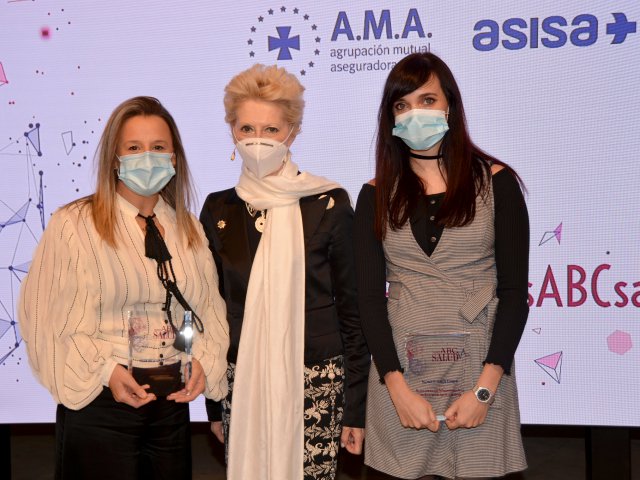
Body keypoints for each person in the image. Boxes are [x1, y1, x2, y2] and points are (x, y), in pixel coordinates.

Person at [18, 96, 229, 480]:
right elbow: (45, 319)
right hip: (100, 406)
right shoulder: (75, 224)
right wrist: (106, 371)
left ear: (175, 158)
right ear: (115, 159)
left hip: (170, 408)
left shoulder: (188, 230)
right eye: (134, 148)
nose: (147, 157)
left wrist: (202, 360)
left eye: (158, 148)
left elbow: (204, 311)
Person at [353, 52, 529, 479]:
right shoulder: (374, 194)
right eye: (402, 104)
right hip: (402, 382)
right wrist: (397, 390)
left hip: (478, 378)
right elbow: (368, 302)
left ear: (449, 104)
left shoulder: (498, 182)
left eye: (427, 99)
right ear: (390, 117)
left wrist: (484, 390)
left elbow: (513, 297)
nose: (415, 112)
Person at [199, 64, 370, 480]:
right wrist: (212, 401)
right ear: (232, 132)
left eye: (271, 130)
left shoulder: (328, 203)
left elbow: (353, 312)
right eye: (247, 128)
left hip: (316, 381)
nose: (258, 140)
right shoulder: (218, 209)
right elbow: (208, 311)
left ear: (293, 132)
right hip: (241, 383)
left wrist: (355, 407)